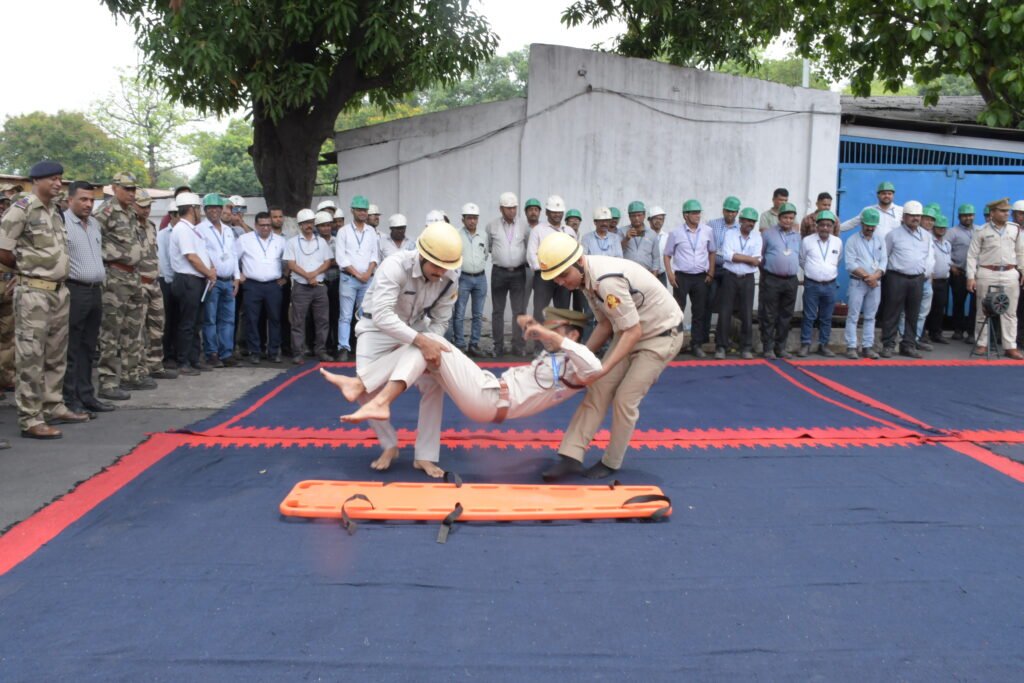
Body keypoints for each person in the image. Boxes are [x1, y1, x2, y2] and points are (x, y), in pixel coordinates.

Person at [537, 232, 684, 480]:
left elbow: (634, 331)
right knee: (598, 388)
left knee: (625, 399)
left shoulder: (606, 281)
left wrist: (602, 368)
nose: (561, 282)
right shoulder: (585, 281)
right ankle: (571, 456)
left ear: (579, 262)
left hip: (660, 336)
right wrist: (579, 356)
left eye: (563, 275)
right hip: (628, 330)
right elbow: (605, 325)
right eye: (556, 279)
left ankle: (611, 461)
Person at [325, 308, 601, 425]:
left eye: (555, 331)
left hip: (489, 400)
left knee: (431, 341)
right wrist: (532, 325)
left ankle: (374, 396)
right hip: (488, 388)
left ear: (573, 335)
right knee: (423, 349)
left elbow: (595, 367)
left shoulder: (576, 367)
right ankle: (362, 386)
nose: (547, 335)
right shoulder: (559, 355)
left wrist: (551, 336)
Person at [352, 221, 463, 478]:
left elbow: (441, 320)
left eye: (446, 267)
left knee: (435, 382)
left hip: (416, 327)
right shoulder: (394, 266)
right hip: (376, 327)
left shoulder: (450, 279)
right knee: (364, 387)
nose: (441, 273)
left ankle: (425, 455)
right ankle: (389, 445)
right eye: (436, 266)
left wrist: (429, 344)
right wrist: (421, 342)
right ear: (422, 255)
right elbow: (382, 315)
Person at [0, 160, 89, 440]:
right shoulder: (22, 208)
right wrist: (25, 269)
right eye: (52, 178)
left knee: (55, 354)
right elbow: (3, 248)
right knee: (31, 356)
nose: (58, 183)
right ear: (36, 180)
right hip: (34, 292)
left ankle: (53, 405)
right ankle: (30, 418)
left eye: (60, 178)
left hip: (59, 291)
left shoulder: (55, 210)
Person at [95, 172, 149, 400]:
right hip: (114, 275)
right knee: (111, 331)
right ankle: (107, 382)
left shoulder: (130, 212)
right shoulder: (105, 212)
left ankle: (131, 374)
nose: (131, 193)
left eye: (133, 189)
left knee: (134, 328)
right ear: (114, 188)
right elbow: (93, 240)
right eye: (126, 189)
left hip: (133, 275)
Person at [63, 181, 113, 415]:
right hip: (74, 289)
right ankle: (69, 399)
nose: (88, 204)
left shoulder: (94, 224)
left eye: (91, 200)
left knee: (89, 347)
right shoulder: (62, 223)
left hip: (94, 290)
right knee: (72, 347)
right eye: (83, 199)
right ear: (70, 200)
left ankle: (86, 395)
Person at [966, 198, 1024, 359]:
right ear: (992, 213)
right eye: (1002, 211)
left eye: (1007, 211)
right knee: (983, 309)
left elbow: (1020, 252)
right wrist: (970, 276)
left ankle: (1010, 346)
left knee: (1010, 311)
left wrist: (1022, 270)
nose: (1007, 214)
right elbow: (972, 255)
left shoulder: (1015, 229)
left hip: (1009, 272)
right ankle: (982, 343)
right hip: (987, 272)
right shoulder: (981, 231)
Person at [169, 192, 217, 374]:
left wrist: (210, 270)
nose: (200, 212)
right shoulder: (182, 229)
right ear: (192, 209)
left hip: (198, 279)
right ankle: (183, 361)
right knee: (187, 323)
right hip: (187, 280)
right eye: (198, 208)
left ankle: (194, 358)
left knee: (197, 322)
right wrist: (209, 273)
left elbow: (201, 254)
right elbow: (191, 257)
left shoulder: (192, 229)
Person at [132, 190, 175, 382]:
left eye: (149, 206)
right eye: (142, 206)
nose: (146, 209)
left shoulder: (151, 226)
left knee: (158, 325)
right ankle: (139, 369)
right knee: (138, 329)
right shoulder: (128, 226)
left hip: (154, 281)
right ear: (133, 205)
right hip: (138, 282)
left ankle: (155, 364)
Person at [880, 201, 931, 358]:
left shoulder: (926, 236)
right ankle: (888, 345)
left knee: (913, 314)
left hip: (917, 279)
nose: (915, 218)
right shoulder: (893, 235)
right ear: (904, 217)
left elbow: (927, 257)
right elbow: (884, 256)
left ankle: (908, 345)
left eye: (918, 216)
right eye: (911, 215)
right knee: (892, 313)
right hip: (896, 277)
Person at [663, 199, 714, 358]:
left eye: (699, 212)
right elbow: (667, 254)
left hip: (701, 277)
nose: (698, 215)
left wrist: (711, 272)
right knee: (677, 311)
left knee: (699, 311)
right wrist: (670, 274)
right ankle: (675, 344)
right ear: (685, 215)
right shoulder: (676, 233)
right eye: (694, 213)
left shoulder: (707, 231)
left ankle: (696, 344)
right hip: (682, 277)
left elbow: (712, 251)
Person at [236, 211, 287, 363]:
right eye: (262, 225)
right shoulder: (244, 239)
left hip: (273, 285)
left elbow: (288, 260)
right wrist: (239, 274)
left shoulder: (280, 240)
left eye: (268, 225)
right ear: (256, 225)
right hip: (252, 285)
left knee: (275, 319)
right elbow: (233, 258)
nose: (265, 228)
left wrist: (285, 277)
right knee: (252, 319)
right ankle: (255, 352)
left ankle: (274, 352)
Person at [285, 209, 334, 363]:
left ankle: (321, 351)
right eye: (305, 223)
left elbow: (327, 262)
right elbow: (291, 264)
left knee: (322, 320)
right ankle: (298, 352)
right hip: (301, 286)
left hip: (319, 286)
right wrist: (308, 276)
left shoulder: (321, 242)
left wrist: (314, 274)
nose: (308, 226)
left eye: (311, 223)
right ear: (300, 225)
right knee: (298, 321)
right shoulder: (292, 242)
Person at [198, 193, 240, 368]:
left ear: (221, 209)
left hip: (228, 280)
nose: (214, 211)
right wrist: (209, 274)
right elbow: (200, 254)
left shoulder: (228, 230)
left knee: (228, 319)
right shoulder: (200, 229)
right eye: (210, 208)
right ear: (205, 210)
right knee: (210, 319)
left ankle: (226, 353)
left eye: (217, 207)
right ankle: (212, 354)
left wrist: (237, 277)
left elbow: (234, 254)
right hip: (212, 281)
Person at [335, 195, 379, 361]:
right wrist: (358, 274)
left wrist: (367, 274)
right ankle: (343, 348)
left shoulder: (371, 232)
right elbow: (341, 258)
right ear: (352, 210)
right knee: (345, 316)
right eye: (359, 210)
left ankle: (363, 348)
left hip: (367, 280)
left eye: (365, 210)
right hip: (349, 279)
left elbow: (375, 255)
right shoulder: (343, 231)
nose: (362, 213)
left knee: (365, 315)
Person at [487, 192, 530, 357]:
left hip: (518, 272)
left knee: (518, 310)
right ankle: (498, 347)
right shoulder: (492, 226)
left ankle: (517, 346)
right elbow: (490, 247)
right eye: (508, 208)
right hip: (499, 272)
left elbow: (527, 245)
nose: (512, 211)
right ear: (501, 209)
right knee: (498, 311)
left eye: (514, 208)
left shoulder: (524, 226)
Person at [716, 207, 762, 359]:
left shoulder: (757, 237)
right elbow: (728, 256)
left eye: (753, 221)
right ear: (741, 220)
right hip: (730, 276)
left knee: (747, 313)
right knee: (725, 312)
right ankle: (721, 347)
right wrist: (749, 259)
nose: (751, 224)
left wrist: (740, 257)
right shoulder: (730, 234)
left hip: (748, 279)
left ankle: (746, 347)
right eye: (748, 220)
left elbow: (757, 261)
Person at [758, 202, 801, 359]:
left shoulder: (797, 236)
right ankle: (768, 348)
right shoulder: (768, 234)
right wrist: (767, 273)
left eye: (791, 218)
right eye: (785, 217)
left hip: (791, 280)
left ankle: (781, 347)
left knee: (786, 315)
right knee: (769, 314)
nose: (788, 220)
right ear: (779, 218)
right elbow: (760, 256)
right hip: (772, 279)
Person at [798, 210, 843, 357]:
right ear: (816, 226)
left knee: (826, 317)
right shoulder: (807, 241)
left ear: (832, 227)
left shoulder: (837, 242)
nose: (825, 228)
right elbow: (802, 260)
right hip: (812, 284)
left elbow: (838, 260)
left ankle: (823, 345)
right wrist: (813, 272)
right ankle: (805, 344)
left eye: (828, 225)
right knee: (809, 316)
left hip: (830, 285)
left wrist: (826, 271)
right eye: (822, 225)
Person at [843, 208, 887, 360]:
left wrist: (876, 276)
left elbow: (884, 261)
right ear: (861, 223)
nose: (870, 228)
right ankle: (851, 346)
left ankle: (867, 347)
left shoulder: (880, 240)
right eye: (867, 225)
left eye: (873, 226)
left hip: (875, 283)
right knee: (853, 315)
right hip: (858, 283)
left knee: (870, 316)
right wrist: (868, 277)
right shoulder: (852, 240)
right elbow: (850, 264)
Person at [452, 202, 489, 355]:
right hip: (463, 278)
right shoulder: (456, 235)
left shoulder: (483, 235)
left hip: (480, 278)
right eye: (469, 218)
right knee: (459, 313)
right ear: (463, 219)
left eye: (475, 218)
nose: (472, 221)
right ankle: (460, 344)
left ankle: (474, 344)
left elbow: (485, 254)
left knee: (478, 314)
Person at [527, 195, 569, 323]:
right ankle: (539, 337)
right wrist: (545, 269)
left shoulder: (568, 231)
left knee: (563, 312)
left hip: (563, 277)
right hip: (544, 277)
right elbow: (531, 255)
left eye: (559, 212)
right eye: (554, 212)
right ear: (546, 212)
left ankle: (559, 336)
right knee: (539, 312)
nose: (557, 214)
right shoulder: (538, 230)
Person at [705, 196, 740, 348]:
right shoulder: (712, 224)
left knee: (726, 305)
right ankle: (704, 336)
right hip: (712, 268)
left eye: (733, 212)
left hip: (729, 270)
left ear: (737, 213)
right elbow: (705, 245)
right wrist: (709, 269)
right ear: (723, 210)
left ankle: (723, 338)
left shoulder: (739, 228)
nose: (730, 214)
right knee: (708, 301)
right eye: (728, 211)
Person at [948, 204, 976, 343]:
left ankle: (972, 332)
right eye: (964, 215)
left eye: (970, 215)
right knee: (958, 302)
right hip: (959, 273)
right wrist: (951, 266)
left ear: (974, 216)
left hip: (975, 274)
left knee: (975, 305)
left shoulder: (979, 231)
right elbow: (944, 250)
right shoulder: (952, 232)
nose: (968, 218)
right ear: (959, 217)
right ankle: (958, 331)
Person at [315, 210, 341, 355]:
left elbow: (342, 261)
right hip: (319, 282)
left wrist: (326, 262)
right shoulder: (313, 242)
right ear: (317, 227)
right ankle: (321, 346)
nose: (326, 228)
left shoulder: (338, 241)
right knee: (320, 317)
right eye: (322, 225)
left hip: (336, 281)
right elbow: (314, 262)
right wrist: (330, 262)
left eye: (328, 225)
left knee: (336, 315)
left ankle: (335, 345)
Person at [924, 215, 952, 345]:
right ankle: (923, 333)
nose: (941, 229)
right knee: (926, 308)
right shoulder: (929, 241)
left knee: (939, 308)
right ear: (934, 228)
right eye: (939, 227)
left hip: (943, 280)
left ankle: (936, 333)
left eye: (944, 228)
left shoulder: (947, 244)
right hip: (931, 280)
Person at [621, 200, 660, 279]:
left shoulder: (652, 233)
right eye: (633, 216)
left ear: (644, 215)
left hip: (646, 273)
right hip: (627, 274)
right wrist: (626, 239)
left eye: (639, 215)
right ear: (629, 217)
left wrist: (654, 277)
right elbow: (616, 251)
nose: (636, 218)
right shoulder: (622, 231)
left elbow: (656, 258)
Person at [647, 206, 669, 287]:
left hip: (661, 275)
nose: (658, 221)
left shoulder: (666, 237)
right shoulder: (644, 236)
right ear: (649, 220)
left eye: (661, 219)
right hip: (647, 274)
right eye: (656, 218)